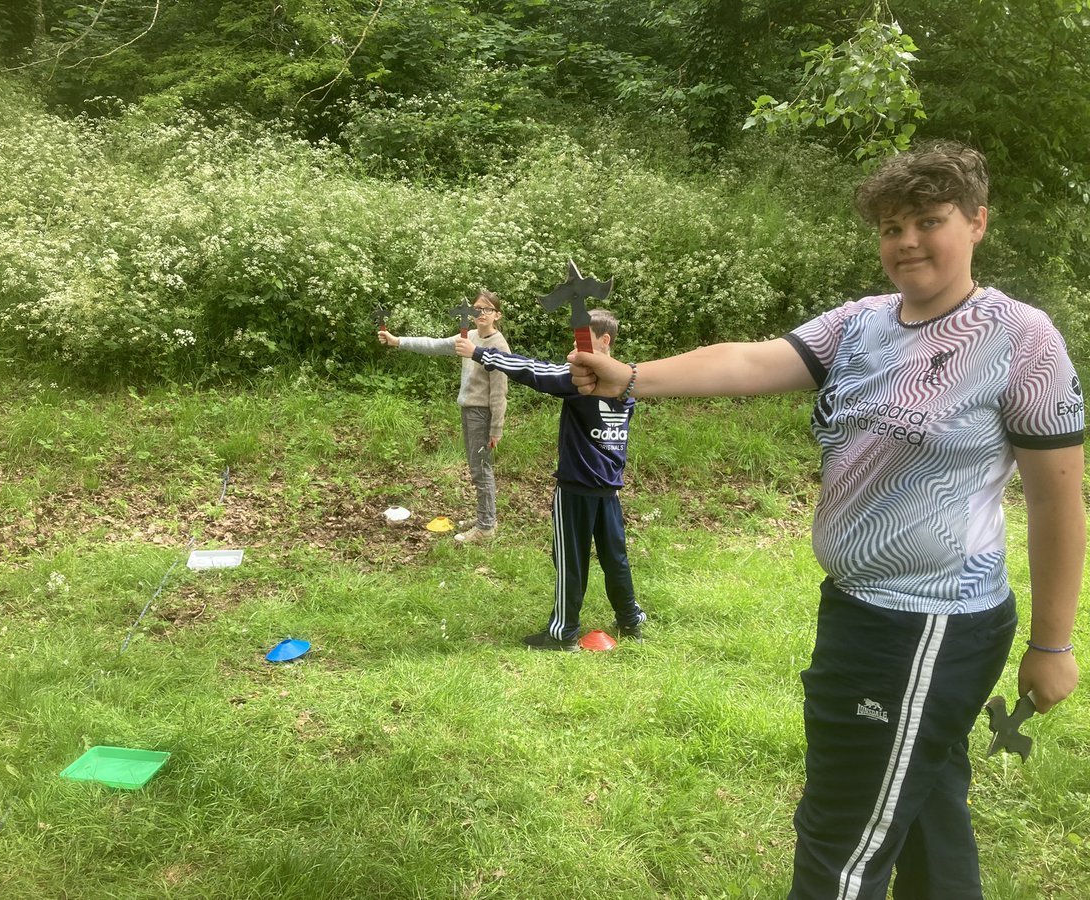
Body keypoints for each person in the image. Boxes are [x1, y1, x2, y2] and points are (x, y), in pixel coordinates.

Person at [566, 141, 1084, 897]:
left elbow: (1056, 500)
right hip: (858, 607)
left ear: (976, 222)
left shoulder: (1021, 339)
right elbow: (749, 362)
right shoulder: (863, 323)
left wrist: (1053, 643)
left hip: (930, 622)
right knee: (926, 804)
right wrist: (632, 375)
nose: (906, 242)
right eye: (890, 227)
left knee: (842, 838)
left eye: (928, 221)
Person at [456, 308, 648, 650]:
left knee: (570, 559)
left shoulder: (583, 380)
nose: (576, 350)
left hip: (577, 488)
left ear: (605, 341)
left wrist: (480, 353)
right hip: (608, 488)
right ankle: (630, 619)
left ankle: (563, 633)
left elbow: (533, 370)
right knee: (614, 556)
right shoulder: (625, 383)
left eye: (584, 340)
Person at [379, 290, 509, 543]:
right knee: (477, 467)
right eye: (477, 309)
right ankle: (486, 515)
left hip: (483, 414)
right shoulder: (468, 337)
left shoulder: (497, 345)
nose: (481, 313)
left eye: (487, 309)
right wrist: (397, 341)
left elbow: (499, 392)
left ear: (497, 315)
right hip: (469, 410)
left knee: (481, 469)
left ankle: (486, 527)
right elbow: (435, 345)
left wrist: (496, 428)